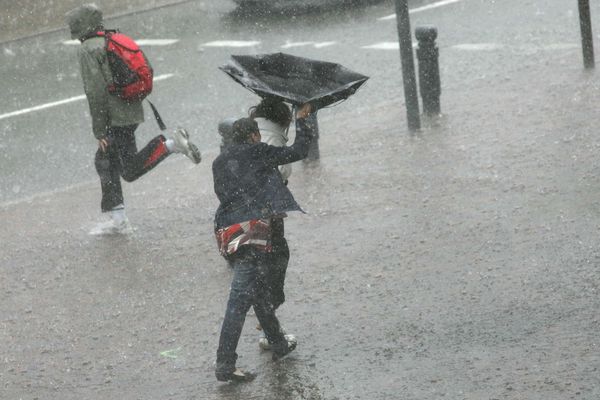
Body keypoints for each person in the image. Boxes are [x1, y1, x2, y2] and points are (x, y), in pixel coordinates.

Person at [66, 4, 201, 235]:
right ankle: (118, 220)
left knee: (119, 167)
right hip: (130, 109)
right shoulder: (113, 38)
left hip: (115, 116)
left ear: (80, 25)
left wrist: (99, 131)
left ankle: (170, 146)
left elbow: (95, 91)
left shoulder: (88, 48)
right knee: (109, 162)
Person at [212, 103, 314, 382]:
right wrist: (303, 120)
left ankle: (278, 343)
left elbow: (225, 194)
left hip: (227, 233)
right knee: (238, 301)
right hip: (253, 232)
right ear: (255, 136)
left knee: (255, 291)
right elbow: (298, 151)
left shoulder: (219, 161)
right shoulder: (258, 152)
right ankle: (225, 364)